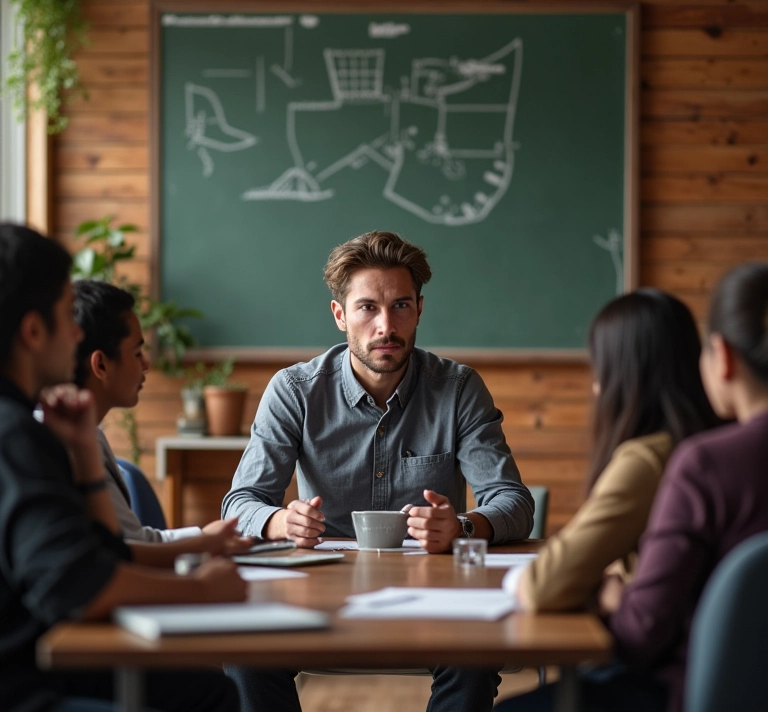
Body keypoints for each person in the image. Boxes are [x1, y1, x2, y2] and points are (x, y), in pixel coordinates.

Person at [222, 230, 534, 712]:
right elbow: (239, 503)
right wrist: (280, 521)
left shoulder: (458, 389)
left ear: (420, 310)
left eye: (401, 306)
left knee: (474, 656)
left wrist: (464, 526)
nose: (386, 325)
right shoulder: (295, 391)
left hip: (435, 596)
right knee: (246, 657)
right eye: (368, 307)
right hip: (319, 591)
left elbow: (513, 502)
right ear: (340, 315)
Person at [497, 262, 768, 712]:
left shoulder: (702, 465)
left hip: (687, 690)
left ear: (721, 357)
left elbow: (639, 636)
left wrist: (613, 594)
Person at [0, 223, 246, 712]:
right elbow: (77, 588)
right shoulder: (13, 436)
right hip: (28, 688)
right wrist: (198, 589)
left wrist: (86, 457)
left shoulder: (33, 429)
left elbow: (102, 555)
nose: (75, 333)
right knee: (210, 695)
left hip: (45, 665)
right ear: (33, 331)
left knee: (206, 689)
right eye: (64, 315)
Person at [502, 289, 720, 612]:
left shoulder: (646, 461)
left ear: (625, 375)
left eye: (601, 369)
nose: (595, 386)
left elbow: (542, 587)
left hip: (655, 654)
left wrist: (611, 594)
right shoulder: (714, 444)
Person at [73, 278, 253, 556]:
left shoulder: (88, 434)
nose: (146, 363)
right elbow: (126, 551)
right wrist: (204, 542)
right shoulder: (73, 442)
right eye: (137, 353)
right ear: (100, 365)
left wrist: (204, 537)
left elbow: (127, 544)